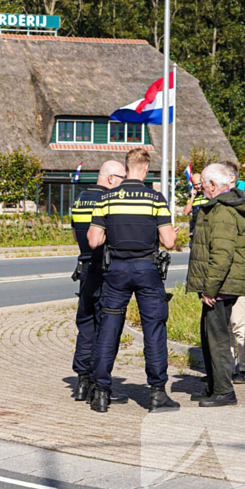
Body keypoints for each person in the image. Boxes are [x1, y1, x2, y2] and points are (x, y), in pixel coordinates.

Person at [87, 148, 180, 414]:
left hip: (116, 270)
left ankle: (101, 393)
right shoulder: (155, 199)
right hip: (147, 270)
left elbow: (94, 241)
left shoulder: (107, 198)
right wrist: (170, 232)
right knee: (154, 329)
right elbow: (168, 242)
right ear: (146, 169)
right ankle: (157, 394)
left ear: (126, 168)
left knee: (109, 328)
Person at [185, 164, 245, 407]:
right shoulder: (227, 206)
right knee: (209, 336)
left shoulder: (223, 210)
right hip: (223, 283)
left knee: (217, 338)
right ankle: (214, 387)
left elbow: (221, 254)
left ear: (213, 185)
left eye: (204, 185)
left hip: (221, 286)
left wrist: (210, 288)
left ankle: (224, 391)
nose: (202, 190)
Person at [69, 160, 128, 403]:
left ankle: (81, 382)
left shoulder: (79, 199)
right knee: (106, 327)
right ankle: (99, 385)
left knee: (86, 326)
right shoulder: (109, 200)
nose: (125, 184)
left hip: (85, 269)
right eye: (123, 179)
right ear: (111, 178)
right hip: (105, 270)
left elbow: (76, 235)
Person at [221, 161, 245, 385]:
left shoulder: (243, 203)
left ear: (232, 179)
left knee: (239, 320)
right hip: (223, 269)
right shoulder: (222, 200)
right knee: (224, 322)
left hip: (239, 269)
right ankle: (226, 367)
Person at [183, 173, 209, 242]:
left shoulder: (209, 194)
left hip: (207, 227)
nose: (198, 186)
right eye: (196, 185)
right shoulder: (192, 196)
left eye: (200, 183)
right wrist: (192, 198)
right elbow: (186, 212)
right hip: (195, 227)